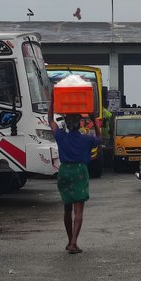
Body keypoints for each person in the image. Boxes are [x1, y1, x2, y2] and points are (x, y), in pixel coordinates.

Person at [48, 94, 101, 254]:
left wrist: (53, 100)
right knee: (78, 210)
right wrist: (93, 118)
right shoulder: (86, 139)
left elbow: (50, 119)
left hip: (64, 171)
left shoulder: (61, 136)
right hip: (79, 171)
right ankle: (73, 243)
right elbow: (99, 137)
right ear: (79, 124)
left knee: (67, 209)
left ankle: (70, 241)